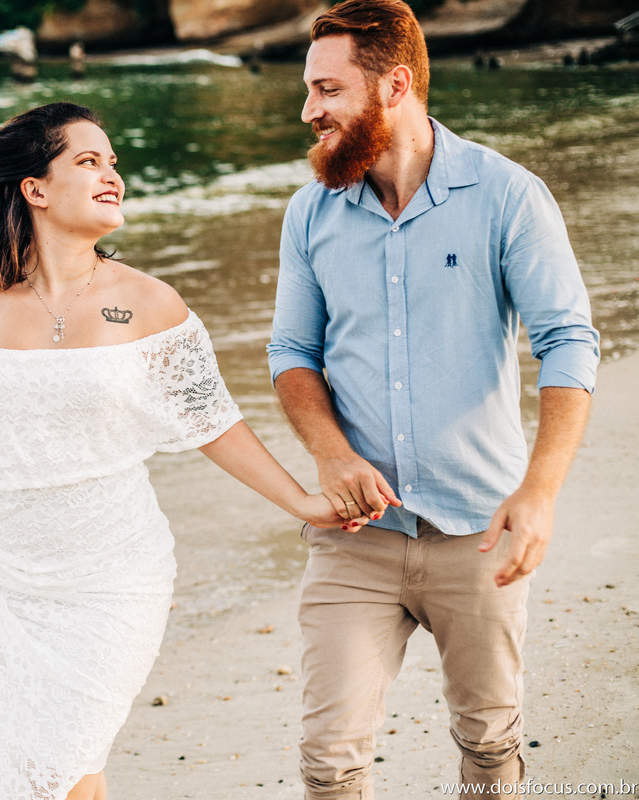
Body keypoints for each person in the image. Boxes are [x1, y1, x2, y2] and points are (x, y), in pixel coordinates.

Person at [0, 102, 354, 800]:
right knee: (31, 763)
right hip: (12, 571)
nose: (112, 174)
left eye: (113, 161)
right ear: (35, 188)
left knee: (72, 749)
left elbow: (212, 421)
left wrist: (301, 500)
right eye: (89, 161)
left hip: (118, 571)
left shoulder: (149, 303)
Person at [266, 2, 600, 798]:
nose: (309, 111)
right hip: (356, 536)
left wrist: (540, 494)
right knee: (328, 758)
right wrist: (331, 453)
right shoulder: (311, 211)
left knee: (489, 742)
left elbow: (568, 341)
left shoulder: (507, 196)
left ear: (395, 85)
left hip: (478, 531)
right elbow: (291, 353)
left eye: (327, 89)